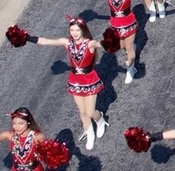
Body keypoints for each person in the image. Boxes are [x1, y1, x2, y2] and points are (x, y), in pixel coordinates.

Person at [18, 17, 108, 150]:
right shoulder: (67, 43)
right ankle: (90, 133)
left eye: (77, 30)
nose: (75, 33)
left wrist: (111, 41)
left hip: (89, 80)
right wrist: (26, 37)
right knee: (82, 111)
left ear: (83, 30)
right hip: (75, 81)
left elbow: (101, 44)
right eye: (72, 30)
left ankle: (100, 120)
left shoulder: (90, 44)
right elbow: (45, 42)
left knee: (89, 112)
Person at [63, 0, 160, 84]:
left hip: (129, 22)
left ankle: (131, 68)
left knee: (128, 48)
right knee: (122, 46)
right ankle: (131, 57)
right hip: (115, 24)